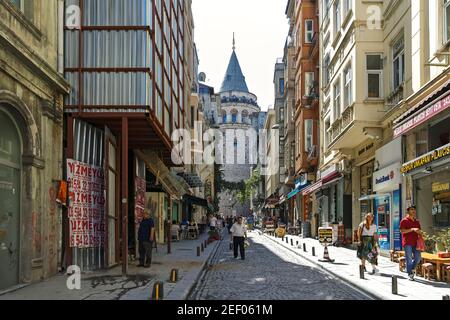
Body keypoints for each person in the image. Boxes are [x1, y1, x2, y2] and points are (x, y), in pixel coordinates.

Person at [400, 206, 423, 281]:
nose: (413, 211)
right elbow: (402, 231)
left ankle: (412, 268)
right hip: (407, 242)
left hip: (416, 242)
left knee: (418, 258)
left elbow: (420, 231)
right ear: (408, 211)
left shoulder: (417, 221)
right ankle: (410, 273)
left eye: (414, 209)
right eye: (411, 209)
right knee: (409, 258)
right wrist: (412, 229)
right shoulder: (404, 221)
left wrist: (419, 232)